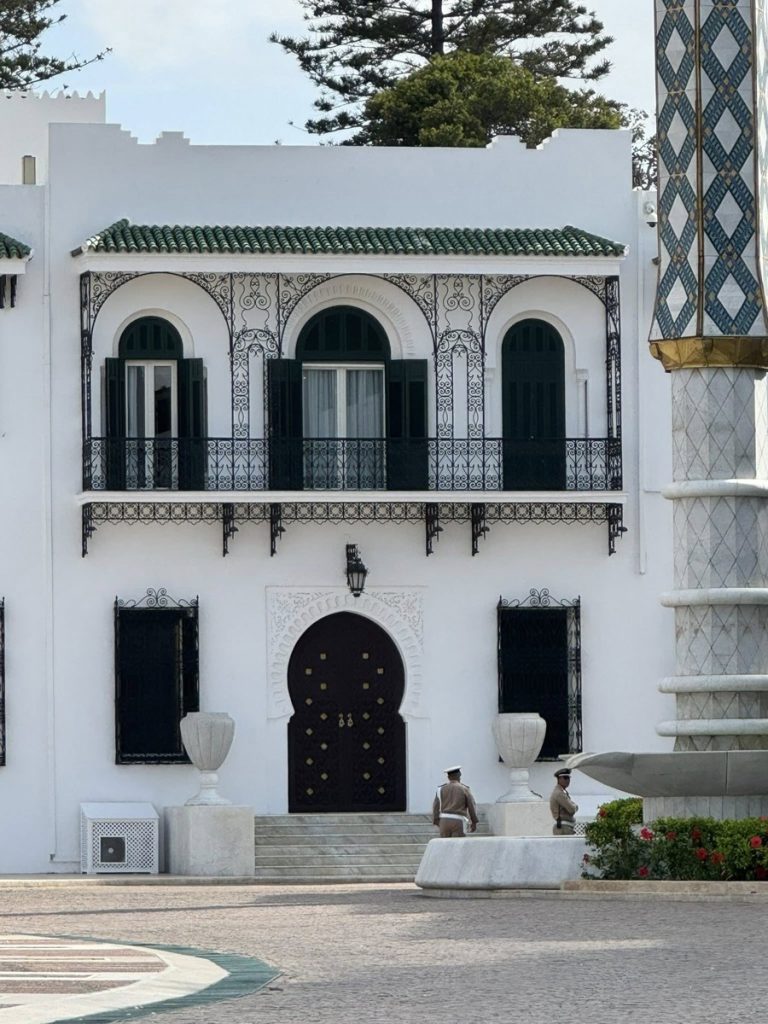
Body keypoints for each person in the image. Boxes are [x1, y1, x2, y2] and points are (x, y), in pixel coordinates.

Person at [432, 765, 479, 838]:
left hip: (444, 821)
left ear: (448, 777)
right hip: (459, 821)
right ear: (459, 775)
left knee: (444, 846)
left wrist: (436, 821)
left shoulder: (440, 789)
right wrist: (474, 822)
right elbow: (471, 806)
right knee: (457, 846)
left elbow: (435, 807)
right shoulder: (464, 789)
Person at [550, 768, 578, 835]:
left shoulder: (562, 792)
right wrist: (575, 806)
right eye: (565, 778)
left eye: (568, 778)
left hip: (565, 827)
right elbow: (572, 809)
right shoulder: (559, 793)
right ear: (559, 779)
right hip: (563, 827)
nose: (568, 780)